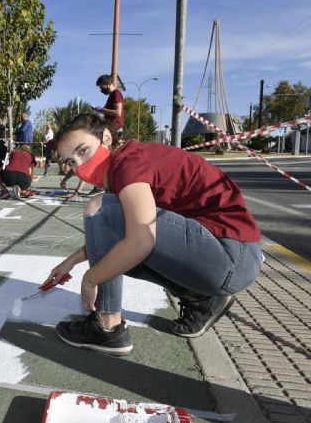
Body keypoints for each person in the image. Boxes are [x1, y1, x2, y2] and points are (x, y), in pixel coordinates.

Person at [48, 113, 262, 356]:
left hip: (229, 255)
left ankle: (107, 327)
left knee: (102, 208)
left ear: (106, 137)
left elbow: (141, 240)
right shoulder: (128, 159)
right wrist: (71, 261)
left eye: (83, 151)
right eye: (71, 162)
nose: (79, 165)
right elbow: (116, 235)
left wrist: (90, 279)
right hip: (232, 256)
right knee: (116, 245)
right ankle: (201, 298)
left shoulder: (128, 165)